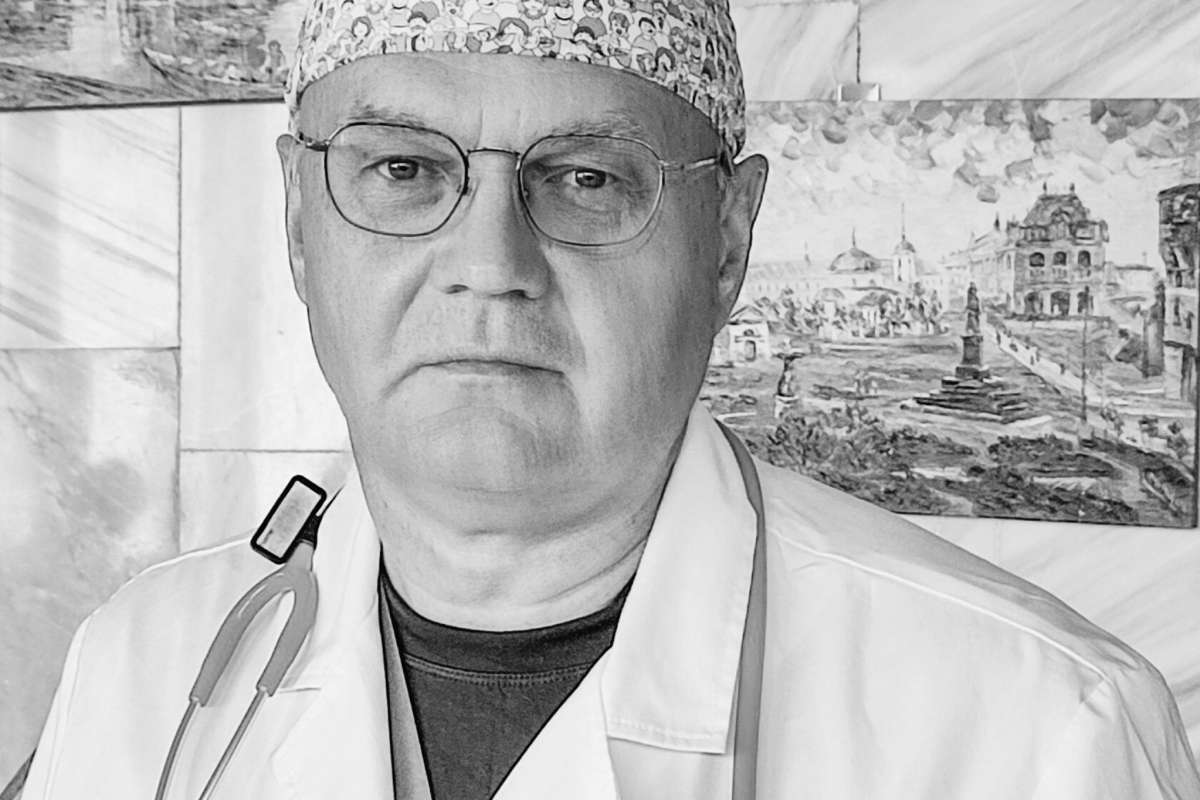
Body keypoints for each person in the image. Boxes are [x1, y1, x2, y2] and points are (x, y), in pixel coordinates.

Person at [17, 0, 1200, 797]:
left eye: (585, 178)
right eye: (403, 168)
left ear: (726, 241)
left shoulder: (1041, 732)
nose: (489, 262)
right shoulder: (143, 665)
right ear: (296, 221)